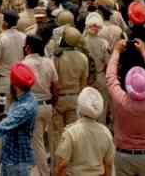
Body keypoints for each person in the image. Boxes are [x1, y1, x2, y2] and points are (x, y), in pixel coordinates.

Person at [106, 38, 145, 176]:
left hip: (123, 155)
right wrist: (144, 51)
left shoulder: (121, 100)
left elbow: (110, 77)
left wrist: (116, 52)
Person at [50, 26, 89, 169]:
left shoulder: (57, 57)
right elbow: (83, 84)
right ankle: (71, 168)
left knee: (57, 136)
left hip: (59, 99)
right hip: (75, 98)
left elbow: (53, 81)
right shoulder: (83, 58)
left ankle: (57, 169)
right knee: (73, 137)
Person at [21, 35, 59, 176]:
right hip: (48, 105)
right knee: (50, 140)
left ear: (28, 47)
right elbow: (56, 86)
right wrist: (53, 103)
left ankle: (44, 172)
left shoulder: (24, 64)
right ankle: (53, 169)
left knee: (37, 143)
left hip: (32, 106)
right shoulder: (49, 62)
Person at [55, 86, 114, 176]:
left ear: (79, 108)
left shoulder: (71, 132)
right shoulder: (106, 132)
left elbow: (62, 164)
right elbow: (108, 164)